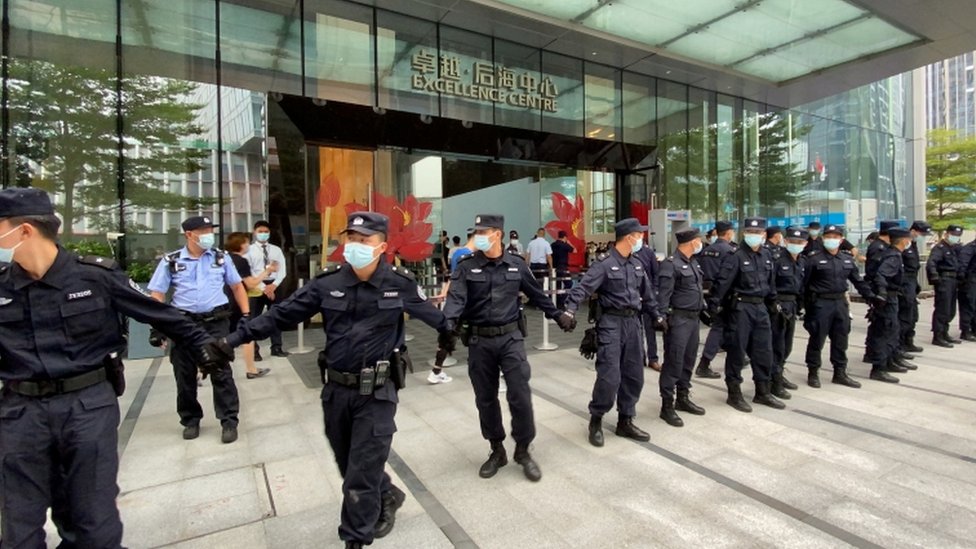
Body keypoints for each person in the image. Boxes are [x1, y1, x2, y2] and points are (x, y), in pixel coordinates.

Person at [0, 188, 229, 548]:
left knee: (92, 519)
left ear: (24, 230)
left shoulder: (95, 277)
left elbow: (158, 312)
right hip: (20, 413)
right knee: (18, 524)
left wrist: (202, 344)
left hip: (86, 406)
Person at [226, 212, 454, 549]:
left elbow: (434, 315)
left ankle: (354, 539)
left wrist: (452, 333)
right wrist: (227, 342)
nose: (356, 246)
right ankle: (387, 493)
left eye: (365, 240)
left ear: (383, 246)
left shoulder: (399, 283)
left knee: (359, 476)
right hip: (335, 391)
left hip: (378, 391)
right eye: (352, 239)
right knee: (347, 462)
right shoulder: (327, 282)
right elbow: (279, 316)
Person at [443, 214, 574, 481]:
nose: (479, 236)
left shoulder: (515, 265)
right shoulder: (467, 267)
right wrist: (446, 326)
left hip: (511, 338)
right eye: (476, 231)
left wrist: (558, 315)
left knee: (520, 395)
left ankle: (523, 450)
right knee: (485, 398)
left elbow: (537, 294)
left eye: (484, 231)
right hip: (479, 341)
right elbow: (455, 299)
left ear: (498, 234)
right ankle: (496, 449)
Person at [148, 215, 249, 443]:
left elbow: (237, 286)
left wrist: (246, 315)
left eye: (209, 230)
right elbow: (157, 293)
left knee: (221, 371)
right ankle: (190, 419)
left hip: (215, 321)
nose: (208, 235)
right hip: (183, 323)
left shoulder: (221, 258)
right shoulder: (171, 261)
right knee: (184, 374)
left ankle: (229, 421)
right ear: (189, 235)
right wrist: (158, 326)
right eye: (203, 231)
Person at [563, 218, 664, 445]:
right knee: (609, 376)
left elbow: (647, 295)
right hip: (611, 324)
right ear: (629, 237)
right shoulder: (605, 264)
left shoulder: (637, 263)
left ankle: (625, 420)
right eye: (639, 235)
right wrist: (569, 311)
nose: (642, 239)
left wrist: (657, 315)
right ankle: (596, 418)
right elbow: (583, 288)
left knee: (634, 375)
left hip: (633, 324)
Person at [707, 218, 783, 412]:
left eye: (758, 232)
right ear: (743, 233)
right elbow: (722, 283)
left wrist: (773, 303)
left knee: (764, 350)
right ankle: (734, 393)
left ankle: (763, 391)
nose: (754, 235)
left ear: (764, 234)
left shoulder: (766, 255)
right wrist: (714, 307)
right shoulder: (735, 256)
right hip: (740, 309)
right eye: (750, 231)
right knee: (737, 351)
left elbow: (770, 282)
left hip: (761, 308)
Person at [801, 224, 881, 388]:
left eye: (835, 237)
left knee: (841, 339)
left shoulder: (846, 259)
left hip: (840, 303)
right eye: (829, 236)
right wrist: (806, 307)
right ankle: (813, 372)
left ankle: (840, 372)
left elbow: (857, 281)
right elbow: (804, 285)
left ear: (841, 240)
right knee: (817, 339)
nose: (832, 240)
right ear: (823, 239)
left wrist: (871, 297)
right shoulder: (813, 259)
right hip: (820, 304)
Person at [656, 228, 707, 427]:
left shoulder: (693, 262)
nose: (700, 243)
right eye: (698, 240)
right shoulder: (671, 264)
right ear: (690, 242)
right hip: (678, 321)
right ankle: (667, 405)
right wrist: (661, 319)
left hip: (693, 320)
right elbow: (664, 296)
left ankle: (683, 398)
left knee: (688, 361)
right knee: (673, 362)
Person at [225, 232, 277, 379]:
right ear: (240, 244)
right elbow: (250, 283)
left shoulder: (224, 258)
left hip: (223, 301)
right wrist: (267, 271)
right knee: (246, 334)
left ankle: (199, 371)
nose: (248, 245)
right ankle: (251, 369)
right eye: (246, 242)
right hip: (237, 302)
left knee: (222, 336)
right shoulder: (240, 261)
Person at [865, 227, 914, 383]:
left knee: (892, 330)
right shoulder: (893, 256)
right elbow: (881, 275)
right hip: (888, 299)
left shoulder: (893, 254)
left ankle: (890, 360)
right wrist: (882, 293)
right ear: (904, 240)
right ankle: (878, 368)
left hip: (893, 297)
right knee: (885, 331)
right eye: (909, 239)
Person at [695, 220, 736, 379]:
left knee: (725, 327)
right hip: (724, 295)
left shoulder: (707, 250)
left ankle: (739, 354)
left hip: (707, 293)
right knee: (719, 328)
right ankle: (704, 363)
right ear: (729, 232)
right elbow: (727, 277)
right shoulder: (730, 251)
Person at [770, 227, 807, 398]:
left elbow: (801, 287)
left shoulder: (801, 261)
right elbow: (770, 284)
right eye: (793, 242)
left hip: (792, 305)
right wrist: (775, 304)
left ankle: (779, 373)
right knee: (777, 345)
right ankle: (774, 381)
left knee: (787, 345)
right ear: (786, 242)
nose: (796, 245)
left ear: (805, 244)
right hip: (779, 305)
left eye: (799, 242)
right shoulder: (777, 259)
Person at [246, 220, 289, 359]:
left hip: (274, 285)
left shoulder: (276, 250)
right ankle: (255, 351)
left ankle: (276, 347)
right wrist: (264, 288)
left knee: (276, 316)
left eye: (266, 232)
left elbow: (282, 270)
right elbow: (249, 271)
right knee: (254, 319)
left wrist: (274, 285)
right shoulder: (249, 250)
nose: (263, 234)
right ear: (254, 232)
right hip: (256, 285)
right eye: (260, 232)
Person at [926, 225, 964, 347]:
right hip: (944, 279)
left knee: (950, 309)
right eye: (953, 234)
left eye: (958, 235)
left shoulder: (954, 248)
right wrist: (935, 277)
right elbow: (931, 263)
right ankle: (938, 335)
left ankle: (945, 332)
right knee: (943, 308)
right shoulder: (940, 248)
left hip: (953, 280)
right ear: (947, 234)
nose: (956, 237)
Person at [900, 221, 930, 352]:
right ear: (913, 231)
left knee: (913, 315)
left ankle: (908, 340)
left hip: (912, 282)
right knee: (905, 315)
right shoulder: (904, 246)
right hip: (905, 283)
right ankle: (900, 344)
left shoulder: (912, 245)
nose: (922, 236)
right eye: (921, 234)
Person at [632, 236, 661, 370]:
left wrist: (654, 292)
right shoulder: (627, 252)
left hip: (648, 297)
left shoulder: (648, 253)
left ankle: (653, 358)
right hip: (633, 298)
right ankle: (640, 357)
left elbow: (656, 274)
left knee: (650, 329)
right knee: (636, 330)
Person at [957, 230, 976, 341]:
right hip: (970, 280)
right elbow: (963, 264)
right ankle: (965, 330)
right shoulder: (970, 248)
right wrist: (963, 279)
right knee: (968, 305)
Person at [551, 230, 576, 310]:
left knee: (557, 286)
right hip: (563, 267)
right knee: (569, 283)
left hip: (555, 268)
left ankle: (557, 302)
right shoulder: (565, 245)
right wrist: (568, 243)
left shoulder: (553, 245)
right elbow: (574, 250)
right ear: (565, 237)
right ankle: (562, 301)